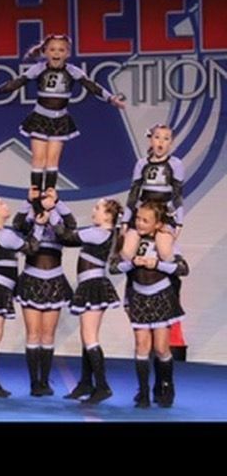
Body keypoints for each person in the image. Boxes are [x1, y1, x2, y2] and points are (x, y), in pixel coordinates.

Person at [0, 34, 125, 199]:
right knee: (39, 159)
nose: (56, 53)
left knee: (52, 160)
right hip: (40, 118)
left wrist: (111, 98)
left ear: (67, 53)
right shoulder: (39, 69)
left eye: (61, 50)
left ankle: (50, 194)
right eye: (52, 49)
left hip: (60, 120)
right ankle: (35, 193)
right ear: (45, 51)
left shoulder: (73, 71)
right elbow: (16, 83)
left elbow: (92, 86)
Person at [120, 122, 187, 359]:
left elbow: (177, 195)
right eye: (157, 137)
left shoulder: (175, 164)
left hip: (163, 217)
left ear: (171, 142)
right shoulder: (141, 164)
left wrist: (177, 223)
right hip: (141, 216)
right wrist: (125, 224)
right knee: (127, 252)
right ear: (151, 140)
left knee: (167, 255)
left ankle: (170, 301)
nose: (160, 142)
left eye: (166, 139)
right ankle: (131, 296)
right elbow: (133, 194)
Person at [115, 200, 189, 408]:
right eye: (137, 218)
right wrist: (130, 263)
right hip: (139, 297)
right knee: (141, 345)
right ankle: (143, 391)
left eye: (145, 220)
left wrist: (157, 264)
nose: (139, 223)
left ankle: (165, 384)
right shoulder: (132, 241)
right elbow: (114, 267)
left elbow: (183, 269)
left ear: (157, 224)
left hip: (161, 298)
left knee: (160, 347)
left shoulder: (165, 240)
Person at [49, 198, 122, 404]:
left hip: (93, 285)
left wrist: (52, 213)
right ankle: (86, 382)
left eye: (98, 208)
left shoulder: (98, 233)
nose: (94, 210)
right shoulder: (103, 232)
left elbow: (66, 237)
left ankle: (102, 386)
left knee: (90, 337)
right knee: (86, 336)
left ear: (108, 216)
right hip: (91, 284)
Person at [0, 195, 47, 397]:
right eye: (1, 204)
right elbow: (32, 248)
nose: (5, 205)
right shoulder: (4, 235)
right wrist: (40, 226)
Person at [13, 188, 76, 396]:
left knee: (48, 334)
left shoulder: (58, 217)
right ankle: (34, 382)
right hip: (32, 279)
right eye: (42, 197)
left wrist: (57, 203)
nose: (44, 200)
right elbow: (17, 225)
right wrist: (28, 202)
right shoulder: (31, 216)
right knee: (33, 333)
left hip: (54, 281)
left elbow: (72, 227)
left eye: (47, 197)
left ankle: (44, 380)